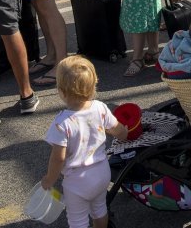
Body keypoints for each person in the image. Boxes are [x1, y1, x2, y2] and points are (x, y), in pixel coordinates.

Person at [40, 56, 128, 228]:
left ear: (62, 91)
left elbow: (58, 158)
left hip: (77, 182)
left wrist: (49, 179)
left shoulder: (61, 123)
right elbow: (118, 130)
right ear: (94, 84)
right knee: (100, 210)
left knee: (77, 221)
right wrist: (124, 133)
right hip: (102, 172)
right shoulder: (100, 107)